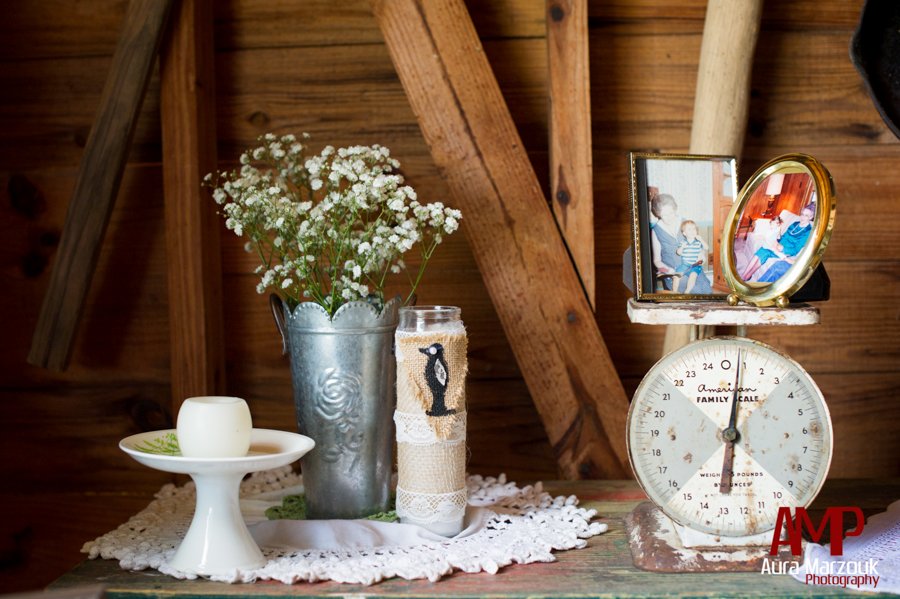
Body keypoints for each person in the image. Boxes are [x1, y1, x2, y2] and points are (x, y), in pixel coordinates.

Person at [650, 193, 712, 294]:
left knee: (706, 291)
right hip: (674, 272)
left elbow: (699, 247)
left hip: (693, 267)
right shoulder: (656, 231)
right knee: (693, 292)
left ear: (675, 209)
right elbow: (657, 261)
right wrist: (669, 271)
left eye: (671, 213)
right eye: (664, 215)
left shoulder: (686, 223)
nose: (669, 217)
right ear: (658, 214)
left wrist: (701, 257)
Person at [741, 205, 814, 282]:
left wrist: (781, 248)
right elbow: (784, 236)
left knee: (765, 251)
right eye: (802, 214)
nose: (802, 217)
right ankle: (745, 276)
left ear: (811, 217)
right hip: (778, 245)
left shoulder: (808, 231)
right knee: (763, 248)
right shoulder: (795, 223)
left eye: (806, 215)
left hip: (787, 250)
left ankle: (745, 277)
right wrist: (775, 241)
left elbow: (795, 250)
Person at [672, 220, 708, 293]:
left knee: (693, 276)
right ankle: (674, 292)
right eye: (689, 229)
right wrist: (682, 247)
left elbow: (706, 247)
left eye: (694, 229)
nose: (692, 231)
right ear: (684, 233)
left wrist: (701, 240)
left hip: (695, 265)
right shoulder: (683, 243)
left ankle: (687, 291)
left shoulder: (698, 243)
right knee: (676, 276)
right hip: (684, 265)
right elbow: (678, 253)